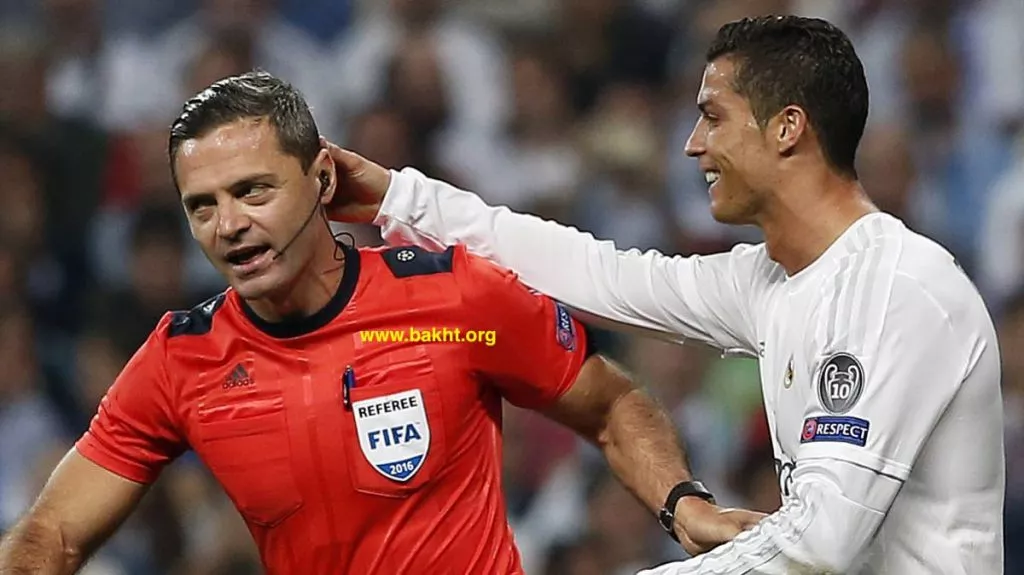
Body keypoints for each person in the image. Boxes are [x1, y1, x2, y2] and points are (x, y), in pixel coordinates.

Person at [0, 71, 761, 575]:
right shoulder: (182, 359)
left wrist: (682, 505)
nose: (228, 225)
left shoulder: (452, 299)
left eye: (254, 190)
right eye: (203, 206)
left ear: (322, 179)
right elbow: (50, 534)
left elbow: (610, 403)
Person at [322, 15, 1005, 575]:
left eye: (713, 117)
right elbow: (596, 273)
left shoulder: (892, 290)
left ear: (787, 127)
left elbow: (818, 545)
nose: (692, 145)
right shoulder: (772, 278)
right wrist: (399, 197)